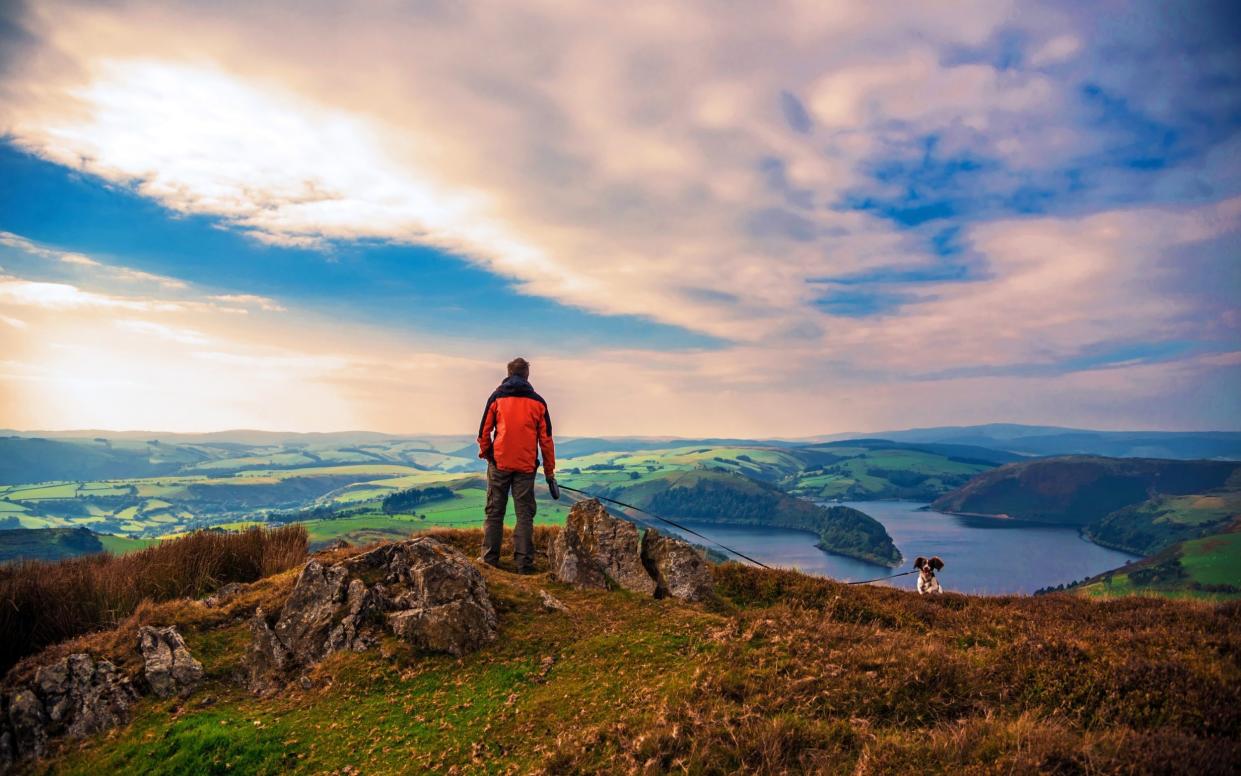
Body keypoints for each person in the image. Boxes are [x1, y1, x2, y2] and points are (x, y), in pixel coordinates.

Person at [476, 357, 556, 572]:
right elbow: (546, 441)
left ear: (509, 373)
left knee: (494, 512)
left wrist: (487, 454)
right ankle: (523, 564)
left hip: (500, 463)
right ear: (527, 375)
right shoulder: (538, 402)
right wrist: (549, 472)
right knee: (524, 515)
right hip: (526, 466)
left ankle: (490, 560)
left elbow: (484, 432)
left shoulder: (497, 398)